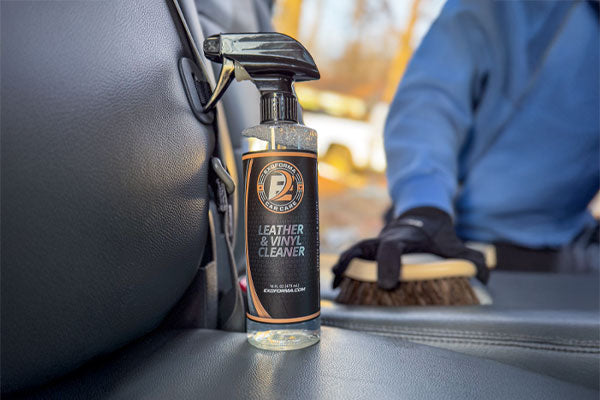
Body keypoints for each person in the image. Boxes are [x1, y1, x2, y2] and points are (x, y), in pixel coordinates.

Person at [333, 0, 599, 289]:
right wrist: (423, 204)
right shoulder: (502, 8)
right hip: (444, 234)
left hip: (563, 254)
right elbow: (431, 100)